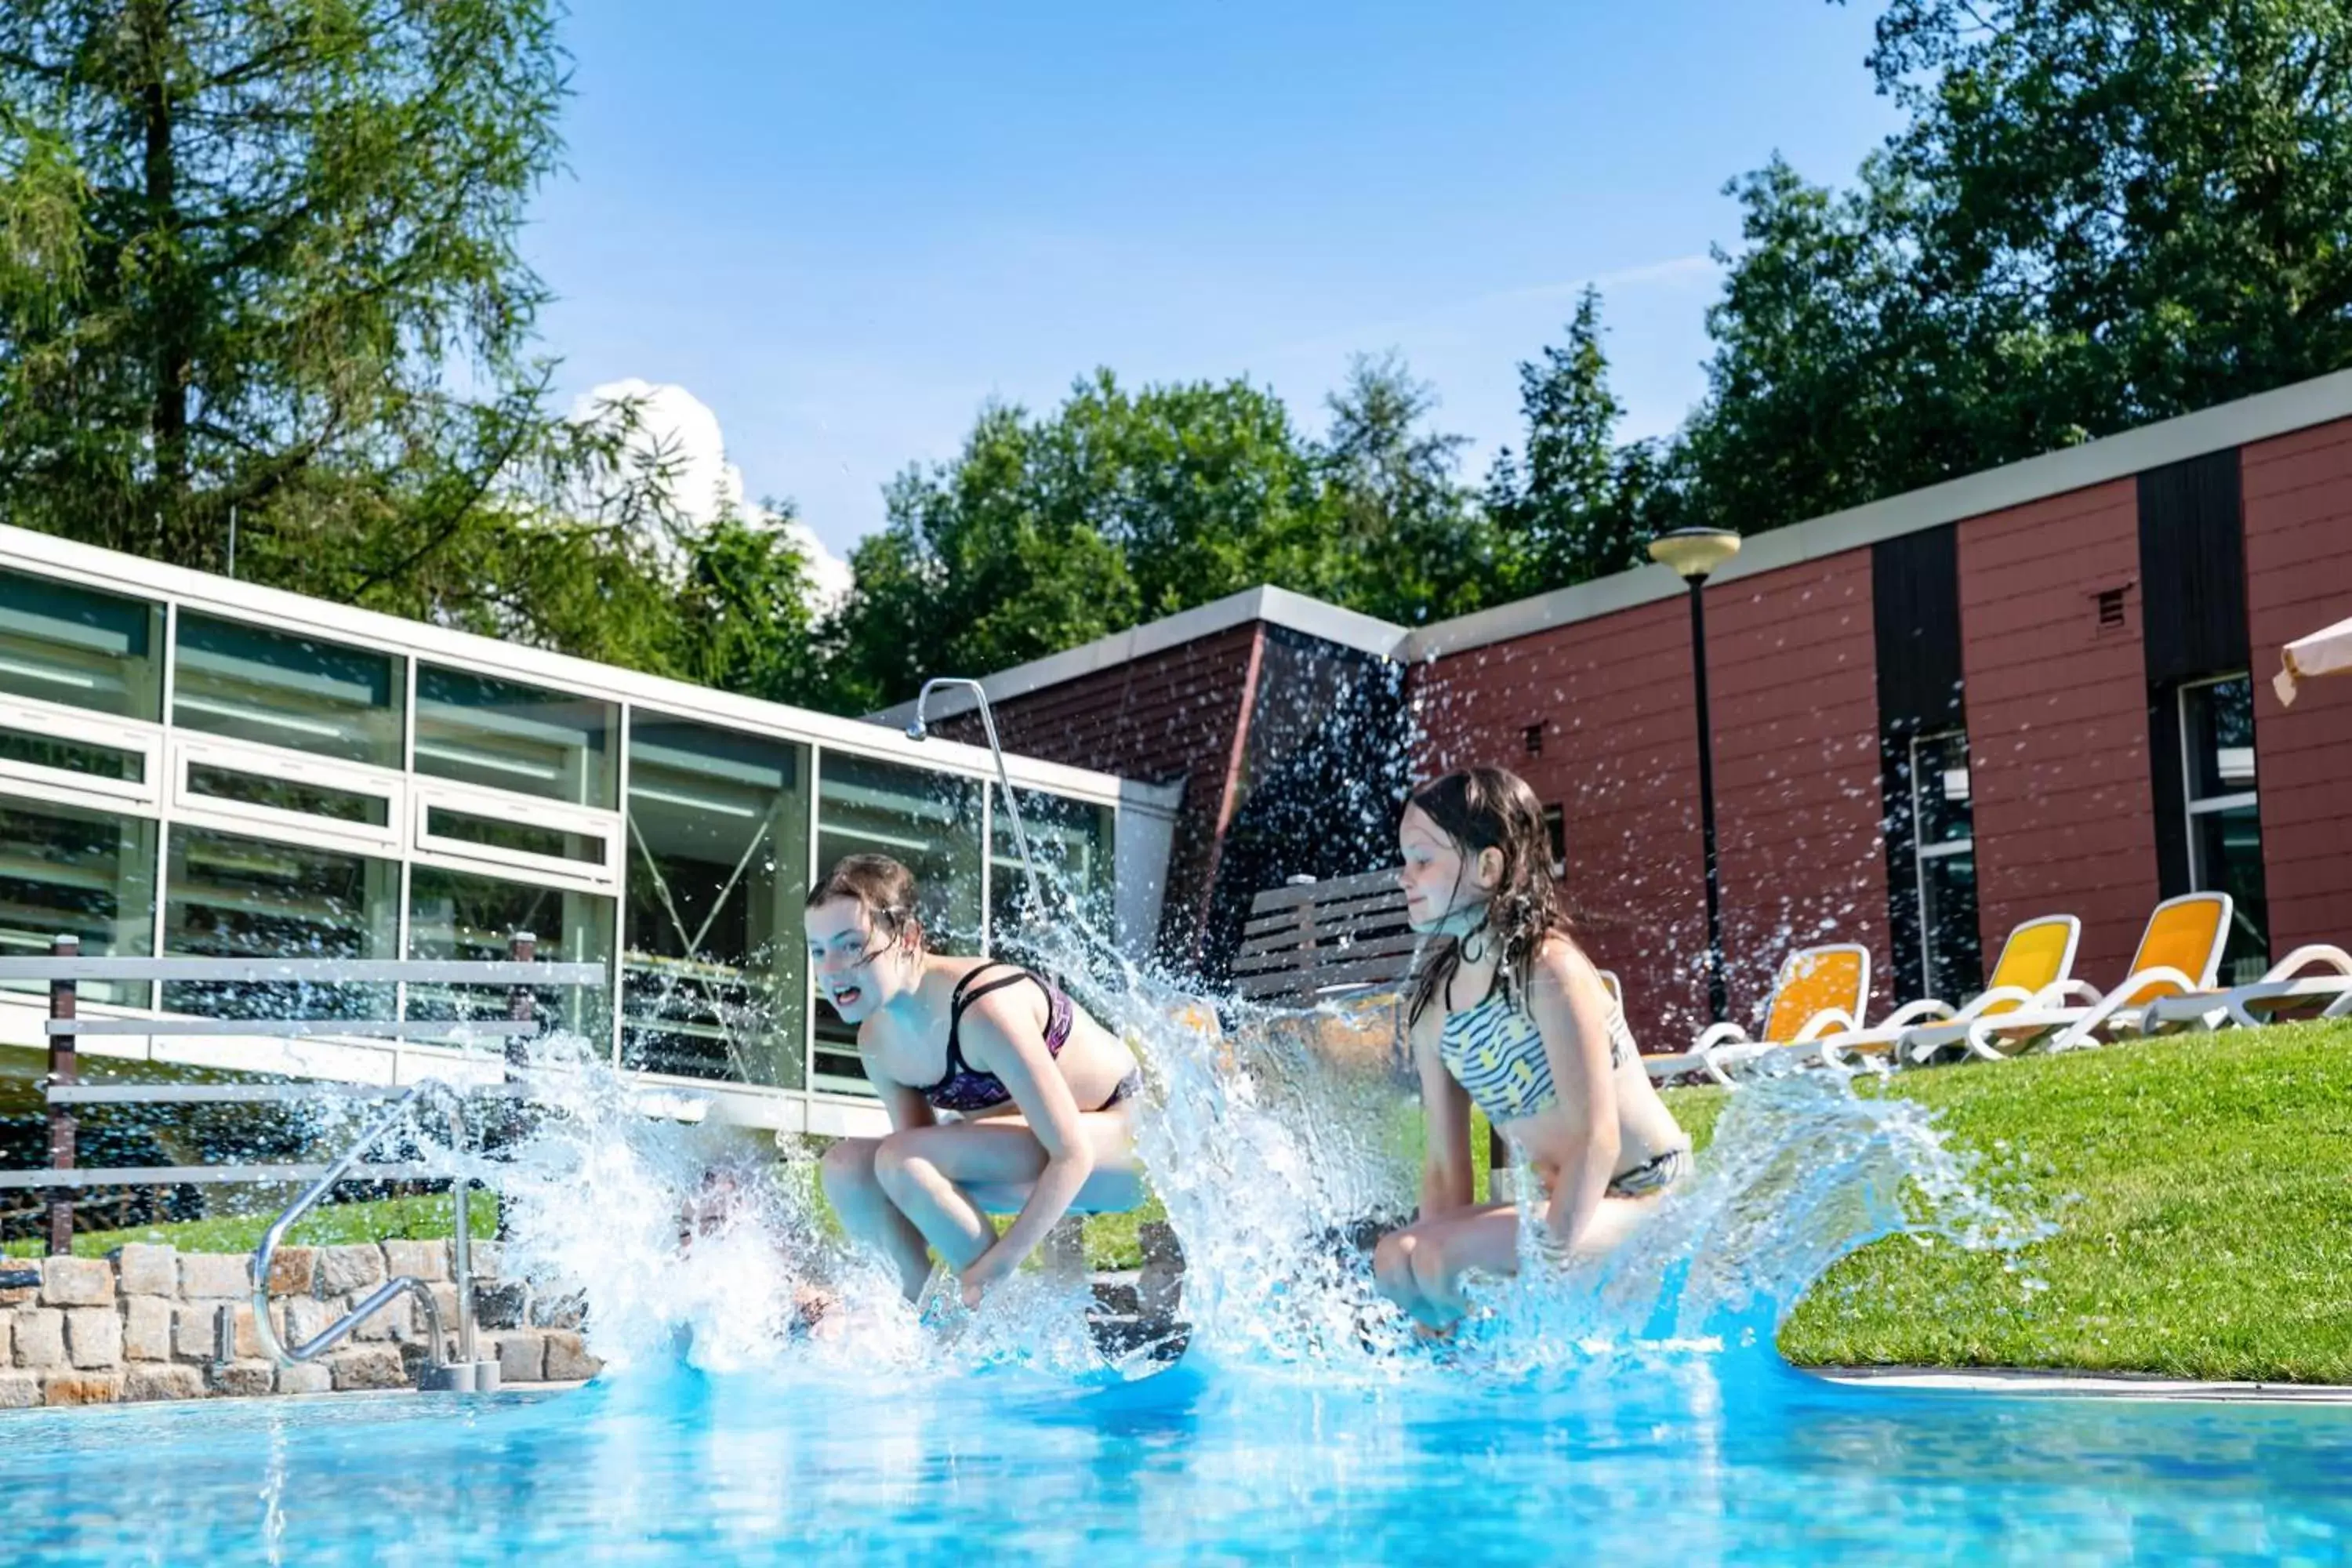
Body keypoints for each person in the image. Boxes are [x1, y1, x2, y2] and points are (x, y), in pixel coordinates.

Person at [1371, 767, 1692, 1332]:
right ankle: (1457, 1381)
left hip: (1646, 1199)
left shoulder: (1548, 970)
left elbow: (1598, 1138)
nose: (1404, 877)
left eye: (1423, 860)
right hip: (1567, 1204)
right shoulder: (1435, 1010)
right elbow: (1446, 1170)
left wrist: (1549, 1270)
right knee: (1397, 1259)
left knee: (1441, 1259)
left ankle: (1502, 1361)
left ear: (1488, 867)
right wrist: (1427, 1321)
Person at [810, 854, 1146, 1311]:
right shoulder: (877, 1041)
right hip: (1031, 1156)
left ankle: (1001, 1315)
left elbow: (1072, 1154)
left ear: (908, 938)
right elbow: (907, 1186)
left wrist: (998, 1266)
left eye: (851, 946)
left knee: (903, 1160)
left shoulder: (983, 1008)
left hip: (1129, 1146)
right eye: (818, 950)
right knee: (846, 1169)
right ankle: (916, 1312)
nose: (831, 970)